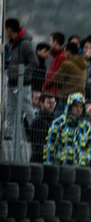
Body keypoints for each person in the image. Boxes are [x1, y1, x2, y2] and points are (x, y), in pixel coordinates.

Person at [3, 18, 39, 159]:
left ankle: (36, 134)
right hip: (11, 83)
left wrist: (22, 73)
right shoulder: (10, 45)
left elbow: (34, 62)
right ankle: (8, 137)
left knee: (27, 108)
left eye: (6, 30)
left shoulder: (25, 44)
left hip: (23, 84)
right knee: (10, 109)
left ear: (10, 29)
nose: (5, 32)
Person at [44, 92, 91, 166]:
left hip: (81, 169)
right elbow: (50, 145)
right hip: (61, 168)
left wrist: (86, 158)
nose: (78, 109)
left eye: (81, 107)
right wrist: (49, 164)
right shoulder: (59, 123)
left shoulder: (86, 126)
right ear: (70, 106)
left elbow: (89, 147)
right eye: (76, 106)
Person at [49, 42, 88, 114]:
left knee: (60, 121)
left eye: (65, 52)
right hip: (79, 99)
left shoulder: (67, 64)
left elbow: (55, 80)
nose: (64, 54)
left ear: (69, 52)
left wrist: (62, 85)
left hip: (66, 98)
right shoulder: (83, 64)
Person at [28, 93, 57, 164]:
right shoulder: (38, 121)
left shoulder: (53, 120)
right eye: (49, 102)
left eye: (53, 103)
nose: (52, 105)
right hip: (39, 160)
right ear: (41, 103)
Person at [43, 32, 67, 97]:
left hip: (55, 90)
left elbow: (55, 74)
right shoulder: (56, 56)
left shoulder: (61, 57)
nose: (50, 42)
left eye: (51, 40)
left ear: (55, 42)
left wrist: (45, 85)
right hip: (51, 89)